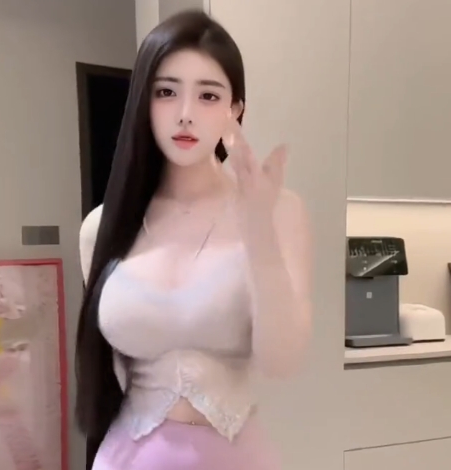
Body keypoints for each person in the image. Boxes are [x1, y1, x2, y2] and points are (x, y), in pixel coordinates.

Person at [75, 9, 313, 470]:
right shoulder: (101, 228)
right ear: (144, 102)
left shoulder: (279, 211)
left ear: (235, 110)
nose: (185, 114)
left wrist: (258, 229)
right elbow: (106, 372)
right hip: (127, 458)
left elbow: (282, 362)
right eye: (166, 92)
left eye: (208, 95)